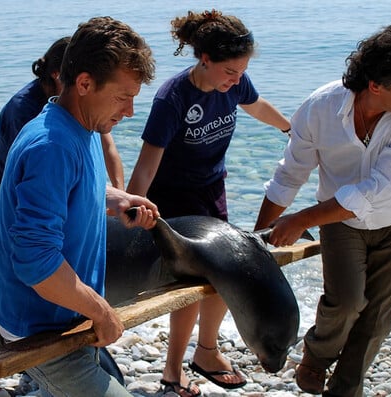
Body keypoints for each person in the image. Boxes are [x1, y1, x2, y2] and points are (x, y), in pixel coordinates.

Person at [254, 24, 391, 397]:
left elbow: (377, 191)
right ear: (376, 86)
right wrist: (257, 243)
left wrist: (301, 219)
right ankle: (317, 356)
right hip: (340, 220)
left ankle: (345, 390)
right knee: (346, 303)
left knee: (375, 321)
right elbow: (290, 173)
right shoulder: (320, 107)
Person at [0, 16, 159, 397]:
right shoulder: (52, 146)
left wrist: (117, 199)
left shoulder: (79, 127)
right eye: (123, 96)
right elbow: (36, 262)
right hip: (39, 333)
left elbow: (79, 188)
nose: (130, 111)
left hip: (66, 319)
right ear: (84, 84)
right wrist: (102, 311)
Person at [126, 9, 291, 396]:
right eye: (230, 72)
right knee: (192, 283)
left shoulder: (233, 84)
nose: (237, 80)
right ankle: (171, 371)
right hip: (175, 201)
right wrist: (133, 205)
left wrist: (290, 128)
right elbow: (148, 161)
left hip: (212, 189)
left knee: (225, 275)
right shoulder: (173, 98)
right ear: (205, 60)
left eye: (241, 72)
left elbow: (256, 104)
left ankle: (206, 352)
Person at [0, 37, 125, 218]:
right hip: (8, 194)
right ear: (57, 74)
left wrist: (120, 193)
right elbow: (33, 175)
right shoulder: (22, 111)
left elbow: (108, 146)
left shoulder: (83, 107)